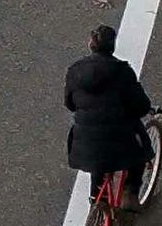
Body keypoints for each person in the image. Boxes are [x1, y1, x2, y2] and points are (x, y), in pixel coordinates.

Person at [65, 26, 156, 208]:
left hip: (84, 144)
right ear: (112, 47)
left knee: (98, 160)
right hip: (118, 139)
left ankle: (96, 201)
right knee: (139, 152)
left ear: (91, 45)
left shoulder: (75, 71)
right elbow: (141, 106)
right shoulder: (122, 72)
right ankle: (131, 193)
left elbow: (70, 103)